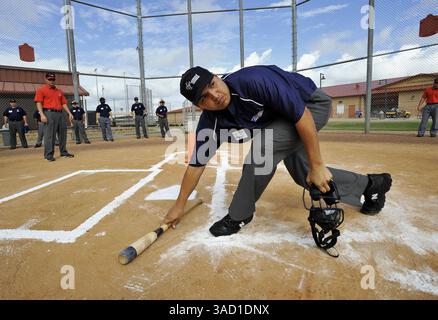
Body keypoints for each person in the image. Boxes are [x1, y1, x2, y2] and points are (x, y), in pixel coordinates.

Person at [163, 65, 393, 237]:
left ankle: (239, 215)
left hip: (310, 105)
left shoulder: (253, 81)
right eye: (204, 97)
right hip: (282, 119)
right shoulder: (210, 121)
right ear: (199, 106)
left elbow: (301, 115)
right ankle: (371, 185)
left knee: (262, 152)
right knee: (302, 172)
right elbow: (197, 164)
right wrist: (179, 204)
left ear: (217, 77)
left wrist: (318, 165)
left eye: (212, 85)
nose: (215, 95)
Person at [34, 72, 74, 161]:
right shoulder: (41, 90)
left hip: (60, 113)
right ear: (46, 79)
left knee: (63, 134)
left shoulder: (58, 91)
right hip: (48, 113)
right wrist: (42, 115)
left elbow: (63, 103)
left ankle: (63, 152)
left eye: (53, 79)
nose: (51, 81)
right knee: (50, 135)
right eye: (49, 79)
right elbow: (38, 103)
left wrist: (69, 113)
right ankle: (48, 155)